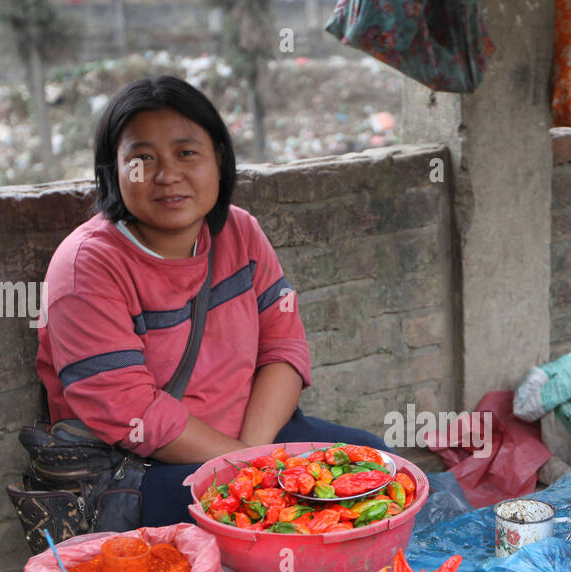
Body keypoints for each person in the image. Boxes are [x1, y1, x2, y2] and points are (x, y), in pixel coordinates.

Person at [36, 76, 384, 526]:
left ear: (218, 158)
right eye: (142, 158)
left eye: (186, 152)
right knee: (280, 524)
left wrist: (253, 459)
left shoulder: (239, 232)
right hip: (144, 468)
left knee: (379, 469)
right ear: (113, 171)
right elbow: (130, 411)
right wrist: (248, 468)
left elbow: (283, 349)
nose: (166, 175)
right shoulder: (86, 266)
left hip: (249, 440)